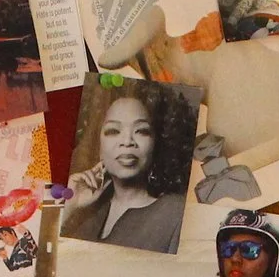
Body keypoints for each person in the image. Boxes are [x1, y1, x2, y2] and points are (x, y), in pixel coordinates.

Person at [62, 83, 194, 252]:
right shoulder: (83, 213)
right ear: (99, 145)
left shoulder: (175, 214)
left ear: (157, 143)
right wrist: (69, 205)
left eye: (141, 131)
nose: (127, 141)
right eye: (113, 131)